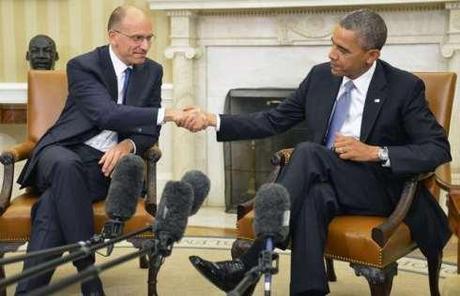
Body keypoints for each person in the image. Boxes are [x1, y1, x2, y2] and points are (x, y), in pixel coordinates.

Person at [179, 9, 452, 296]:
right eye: (333, 43)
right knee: (312, 196)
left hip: (380, 189)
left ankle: (249, 263)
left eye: (343, 50)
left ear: (371, 56)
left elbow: (437, 148)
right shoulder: (321, 77)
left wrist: (374, 152)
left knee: (308, 153)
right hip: (327, 181)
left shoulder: (403, 87)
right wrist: (213, 120)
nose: (332, 54)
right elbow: (273, 120)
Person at [15, 5, 183, 295]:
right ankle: (88, 273)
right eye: (137, 38)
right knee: (67, 167)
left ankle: (27, 291)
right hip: (62, 149)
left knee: (52, 205)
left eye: (149, 38)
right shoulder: (83, 65)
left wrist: (128, 144)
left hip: (102, 164)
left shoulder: (152, 71)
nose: (145, 46)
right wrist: (165, 113)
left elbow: (148, 133)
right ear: (113, 36)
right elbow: (105, 114)